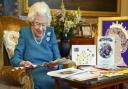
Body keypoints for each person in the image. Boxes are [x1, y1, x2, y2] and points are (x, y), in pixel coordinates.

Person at [11, 2, 71, 89]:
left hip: (52, 73)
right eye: (38, 24)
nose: (41, 28)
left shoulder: (50, 32)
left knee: (69, 84)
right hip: (34, 73)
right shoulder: (25, 33)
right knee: (45, 83)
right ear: (32, 22)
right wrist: (23, 63)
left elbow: (58, 58)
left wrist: (56, 65)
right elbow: (15, 59)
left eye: (44, 25)